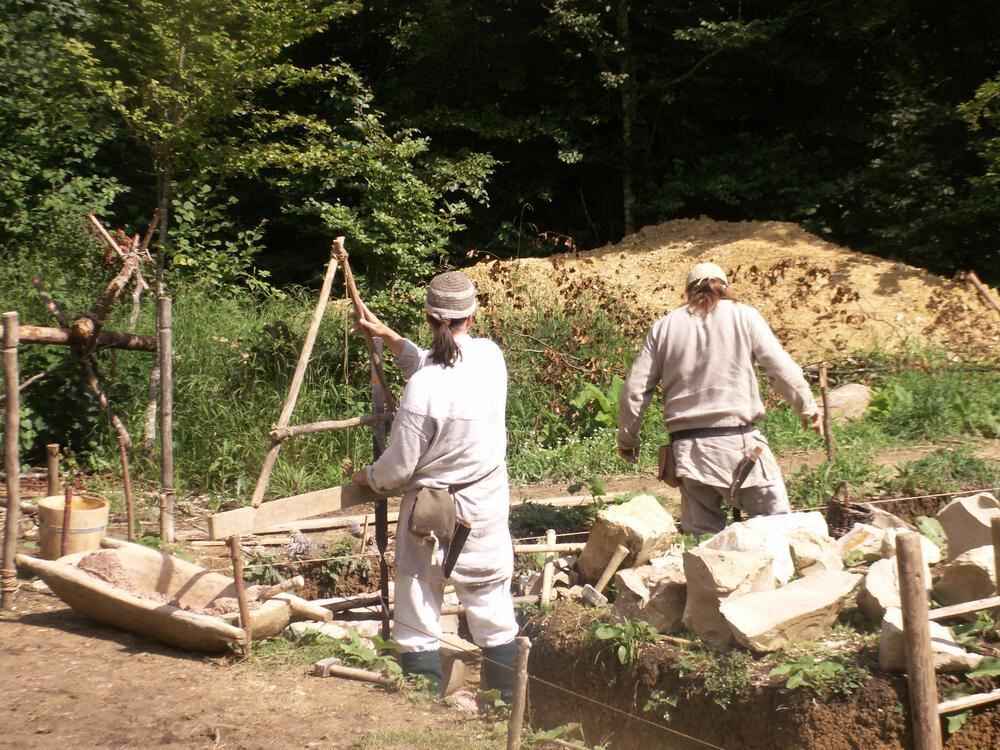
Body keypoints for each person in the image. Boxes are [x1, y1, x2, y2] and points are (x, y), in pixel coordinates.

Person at [351, 270, 519, 700]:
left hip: (431, 509)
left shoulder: (423, 385)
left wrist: (367, 478)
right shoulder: (490, 357)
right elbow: (439, 365)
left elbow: (397, 470)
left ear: (428, 316)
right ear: (473, 316)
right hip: (484, 502)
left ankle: (420, 704)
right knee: (492, 609)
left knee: (418, 608)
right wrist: (391, 338)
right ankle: (504, 709)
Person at [616, 262, 822, 535]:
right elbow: (781, 368)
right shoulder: (744, 316)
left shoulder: (664, 327)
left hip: (688, 452)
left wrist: (627, 439)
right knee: (779, 529)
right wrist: (807, 408)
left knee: (704, 541)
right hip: (741, 448)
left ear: (687, 292)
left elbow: (635, 389)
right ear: (725, 287)